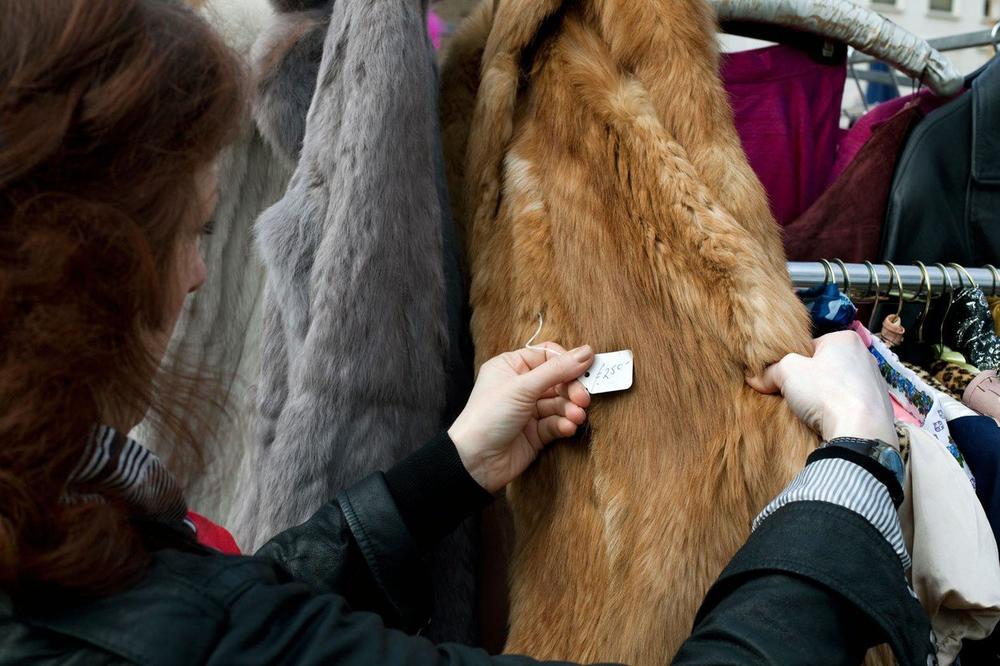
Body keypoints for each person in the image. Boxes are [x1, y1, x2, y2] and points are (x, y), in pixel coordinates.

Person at [0, 1, 932, 664]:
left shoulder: (60, 541)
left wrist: (447, 472)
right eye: (191, 233)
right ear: (83, 270)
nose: (201, 273)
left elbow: (228, 613)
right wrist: (852, 460)